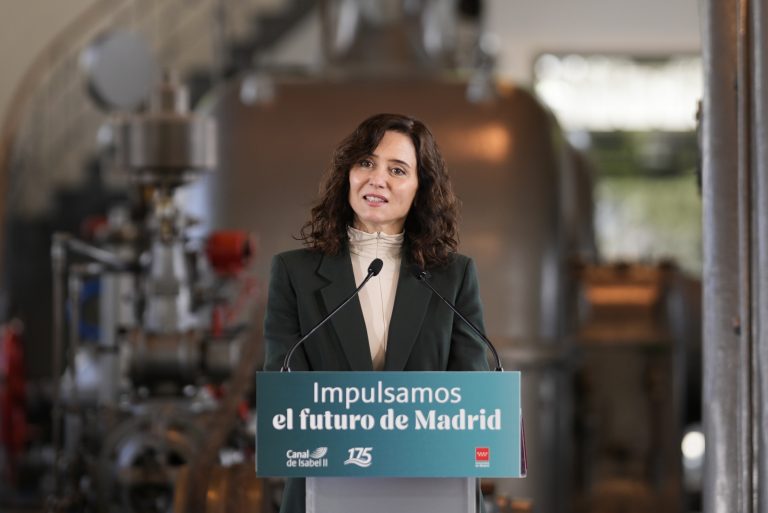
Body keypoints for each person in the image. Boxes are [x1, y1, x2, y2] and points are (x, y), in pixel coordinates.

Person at [263, 113, 490, 513]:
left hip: (431, 490)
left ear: (421, 188)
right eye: (366, 162)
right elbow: (286, 388)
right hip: (325, 488)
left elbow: (470, 395)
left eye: (397, 170)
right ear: (347, 174)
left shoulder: (453, 276)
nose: (377, 179)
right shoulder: (293, 272)